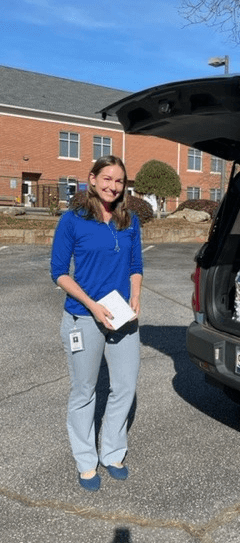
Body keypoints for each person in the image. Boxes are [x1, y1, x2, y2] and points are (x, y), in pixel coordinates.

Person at [50, 155, 143, 492]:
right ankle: (86, 460)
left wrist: (136, 295)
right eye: (106, 179)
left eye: (118, 181)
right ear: (92, 179)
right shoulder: (72, 220)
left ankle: (113, 452)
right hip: (83, 316)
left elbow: (136, 264)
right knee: (84, 391)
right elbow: (59, 272)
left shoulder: (129, 220)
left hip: (121, 316)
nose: (112, 186)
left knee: (125, 386)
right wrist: (91, 305)